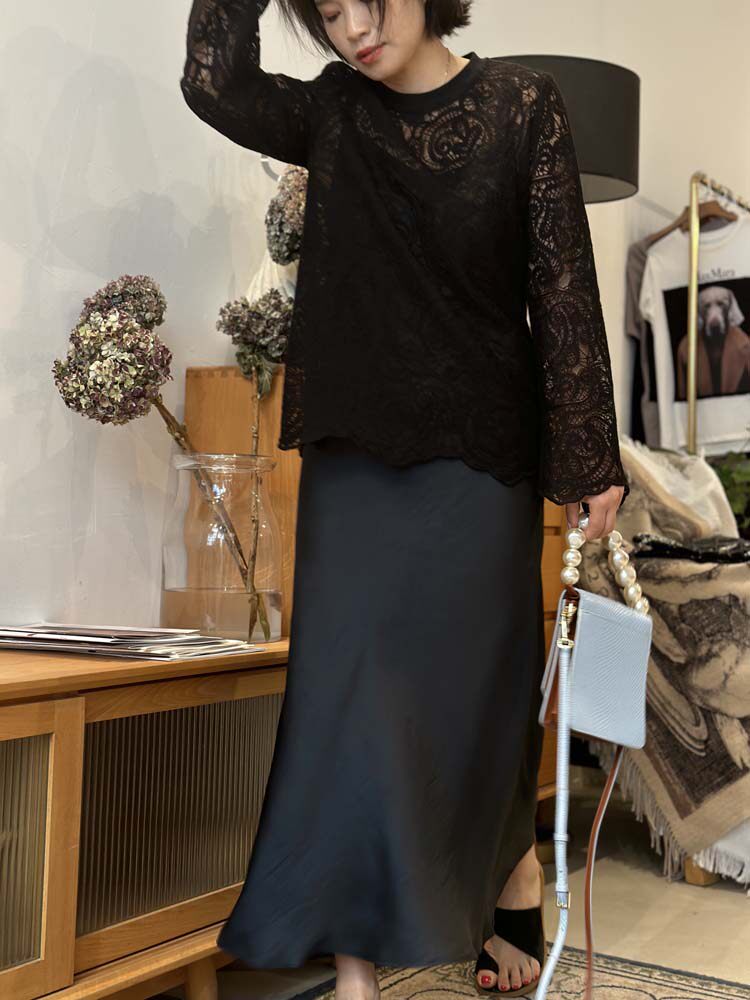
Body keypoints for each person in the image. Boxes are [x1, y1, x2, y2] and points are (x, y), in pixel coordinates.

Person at [180, 1, 629, 998]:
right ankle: (356, 970)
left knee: (478, 696)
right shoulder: (332, 111)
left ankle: (511, 871)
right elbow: (213, 81)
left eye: (364, 0)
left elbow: (560, 284)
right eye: (327, 11)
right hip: (355, 458)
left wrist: (588, 455)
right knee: (347, 705)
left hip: (481, 458)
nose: (351, 28)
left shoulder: (523, 104)